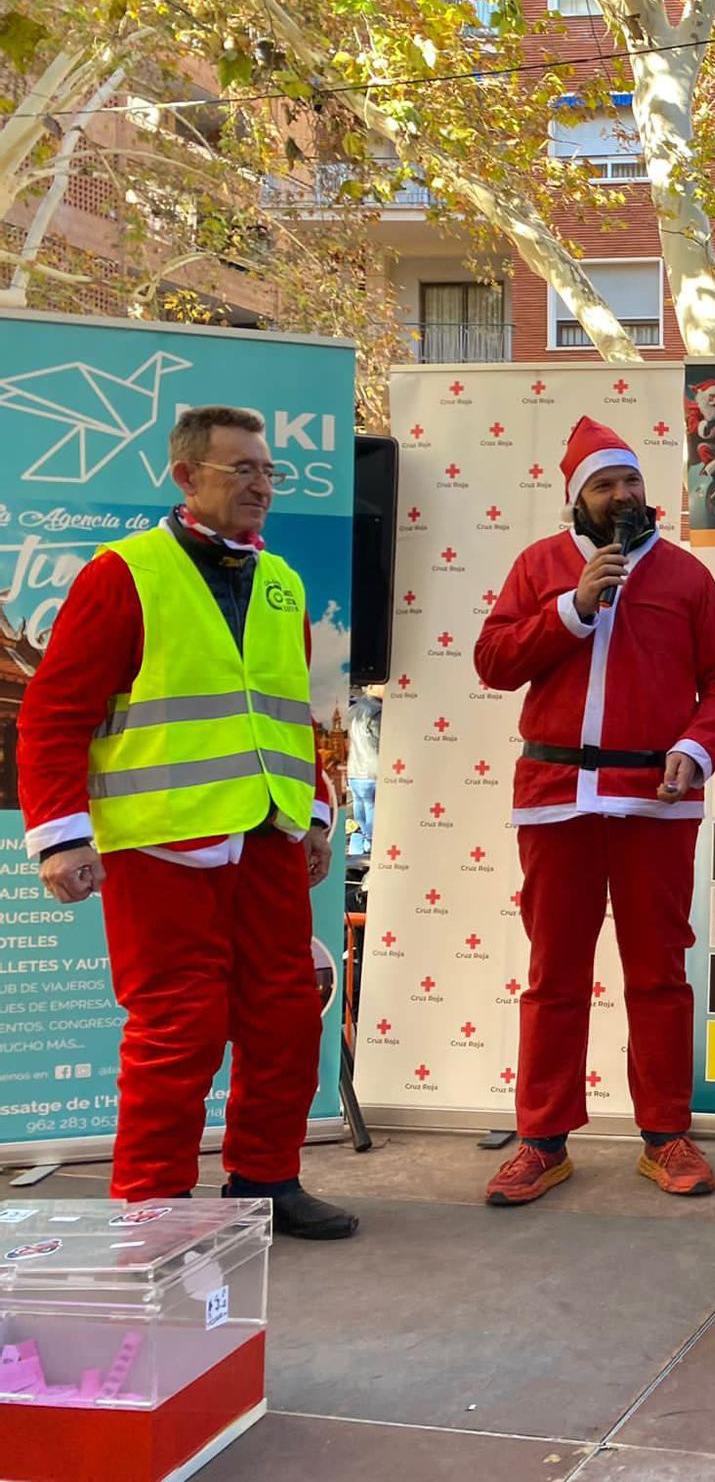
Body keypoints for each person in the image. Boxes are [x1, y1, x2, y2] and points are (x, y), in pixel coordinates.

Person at [18, 406, 354, 1236]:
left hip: (268, 839)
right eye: (241, 469)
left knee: (282, 1015)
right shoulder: (123, 574)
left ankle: (265, 1182)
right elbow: (54, 713)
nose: (261, 485)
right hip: (161, 845)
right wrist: (60, 836)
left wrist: (313, 815)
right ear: (186, 477)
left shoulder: (281, 582)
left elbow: (293, 712)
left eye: (268, 471)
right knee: (179, 1028)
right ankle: (153, 1208)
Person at [475, 416, 715, 1207]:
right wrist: (571, 608)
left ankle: (666, 1134)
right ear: (578, 499)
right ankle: (542, 1140)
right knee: (552, 976)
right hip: (556, 801)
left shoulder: (686, 577)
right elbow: (494, 663)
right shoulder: (540, 567)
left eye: (631, 481)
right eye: (605, 484)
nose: (623, 495)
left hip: (654, 806)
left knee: (659, 974)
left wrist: (695, 750)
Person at [346, 686, 381, 859]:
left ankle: (359, 844)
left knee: (359, 806)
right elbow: (381, 741)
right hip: (371, 770)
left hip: (354, 769)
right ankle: (370, 844)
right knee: (371, 807)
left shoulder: (353, 709)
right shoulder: (377, 711)